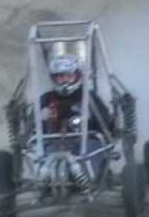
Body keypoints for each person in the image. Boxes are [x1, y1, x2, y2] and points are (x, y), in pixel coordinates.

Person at [39, 53, 115, 190]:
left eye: (68, 76)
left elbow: (105, 123)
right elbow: (33, 122)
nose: (65, 81)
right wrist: (30, 130)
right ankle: (45, 183)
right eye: (60, 77)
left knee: (91, 148)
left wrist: (100, 125)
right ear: (54, 78)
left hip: (87, 143)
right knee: (42, 151)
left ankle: (88, 180)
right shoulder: (47, 99)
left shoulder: (89, 97)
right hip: (54, 143)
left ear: (77, 76)